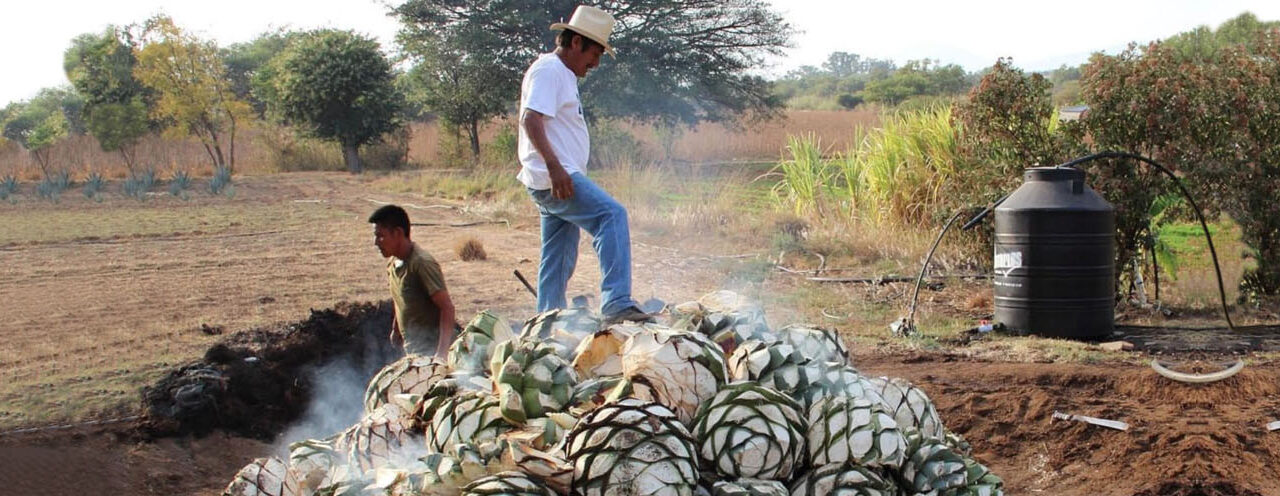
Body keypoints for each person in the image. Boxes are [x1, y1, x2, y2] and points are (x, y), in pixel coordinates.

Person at [518, 5, 651, 324]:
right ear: (576, 42)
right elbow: (531, 120)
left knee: (557, 256)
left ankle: (546, 322)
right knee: (612, 215)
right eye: (595, 53)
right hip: (557, 178)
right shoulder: (550, 69)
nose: (596, 63)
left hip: (552, 179)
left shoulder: (561, 73)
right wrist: (556, 168)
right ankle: (617, 302)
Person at [369, 204, 458, 357]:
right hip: (414, 349)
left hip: (433, 349)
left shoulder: (422, 263)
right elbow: (400, 300)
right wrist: (396, 330)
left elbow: (447, 308)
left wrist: (441, 356)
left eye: (381, 236)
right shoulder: (393, 264)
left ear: (397, 233)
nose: (376, 242)